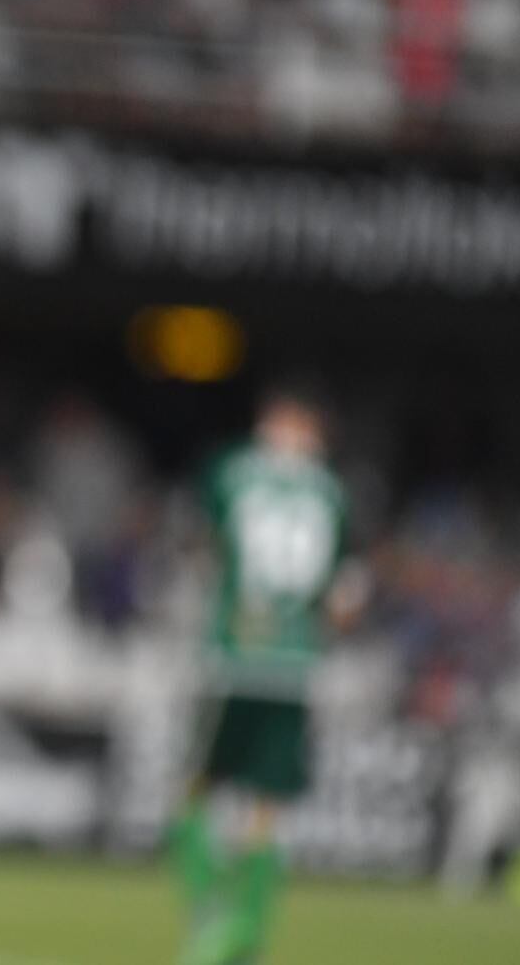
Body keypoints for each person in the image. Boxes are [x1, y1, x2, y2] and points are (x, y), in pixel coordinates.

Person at [169, 384, 362, 965]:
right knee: (266, 803)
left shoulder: (233, 471)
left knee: (193, 788)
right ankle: (248, 931)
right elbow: (343, 597)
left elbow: (204, 543)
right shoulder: (332, 490)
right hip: (296, 661)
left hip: (234, 653)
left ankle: (210, 916)